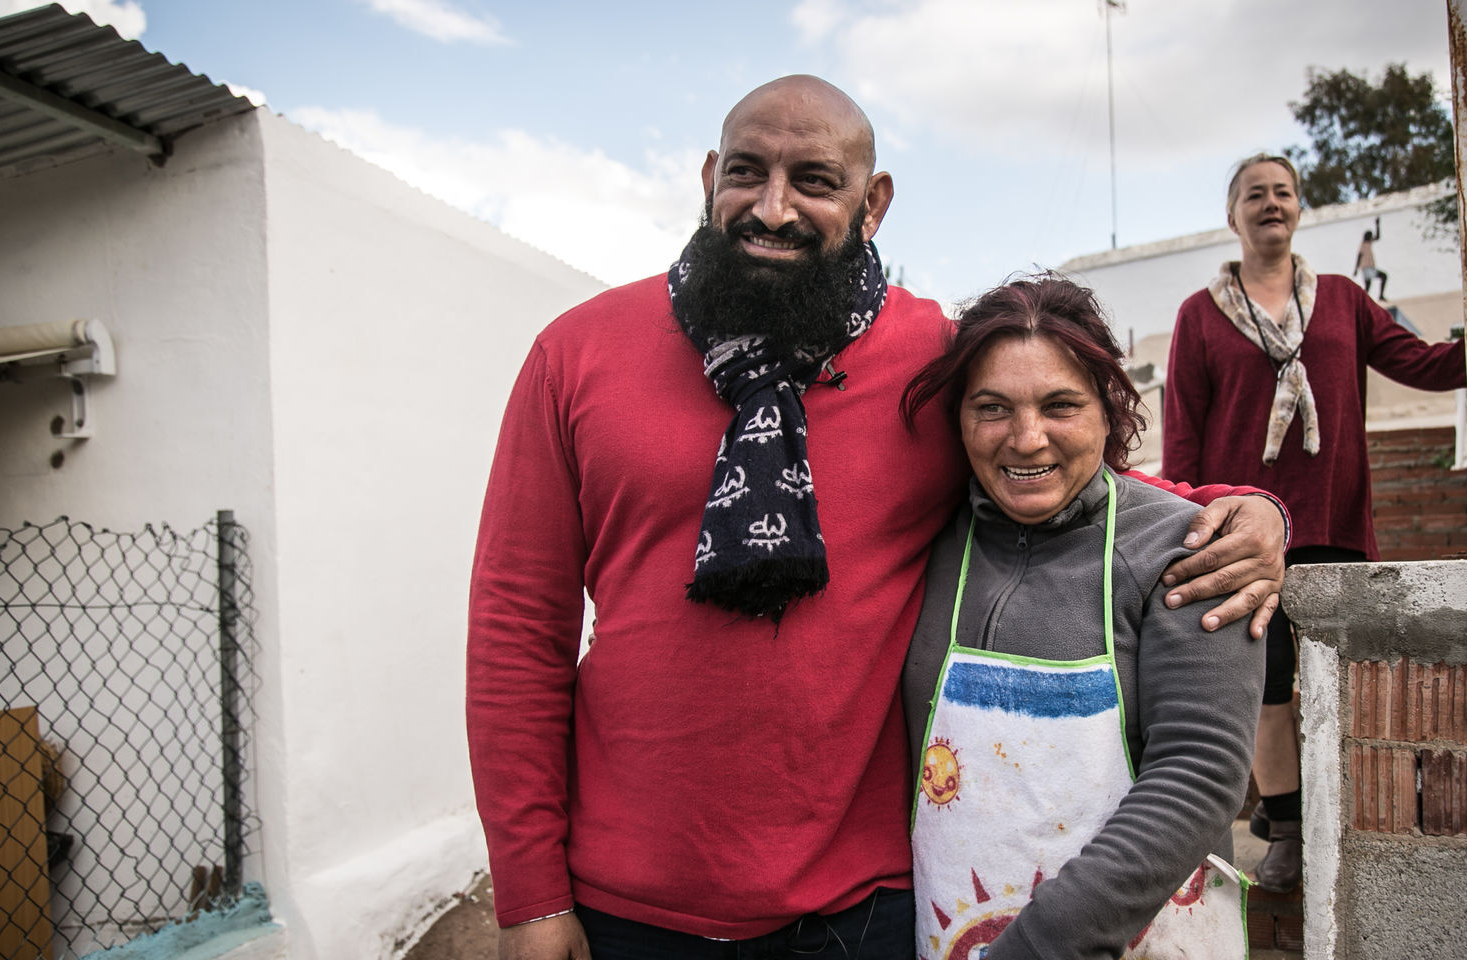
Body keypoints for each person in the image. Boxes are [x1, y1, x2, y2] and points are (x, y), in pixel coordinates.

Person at [467, 75, 1290, 960]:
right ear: (709, 178)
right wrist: (529, 896)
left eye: (815, 180)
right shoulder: (576, 354)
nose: (773, 209)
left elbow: (1061, 469)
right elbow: (518, 631)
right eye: (747, 172)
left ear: (874, 203)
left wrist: (1249, 511)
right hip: (624, 905)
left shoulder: (935, 364)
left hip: (867, 908)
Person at [899, 276, 1262, 959]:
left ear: (1108, 409)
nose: (1026, 439)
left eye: (1060, 405)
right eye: (993, 408)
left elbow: (1201, 773)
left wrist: (1036, 947)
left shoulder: (1190, 552)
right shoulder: (926, 544)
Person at [1161, 153, 1466, 893]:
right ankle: (1289, 831)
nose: (1271, 203)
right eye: (1254, 194)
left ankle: (1345, 816)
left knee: (1343, 686)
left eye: (1284, 192)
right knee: (1265, 685)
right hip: (1242, 531)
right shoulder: (1199, 317)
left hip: (1333, 517)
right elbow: (1182, 433)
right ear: (1231, 217)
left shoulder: (1345, 300)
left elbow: (1422, 364)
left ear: (1300, 209)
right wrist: (1189, 520)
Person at [1353, 216, 1387, 300]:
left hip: (1370, 268)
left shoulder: (1369, 243)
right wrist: (1356, 270)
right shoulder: (1363, 245)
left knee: (1369, 286)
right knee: (1372, 284)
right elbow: (1359, 257)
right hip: (1366, 268)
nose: (1372, 237)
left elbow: (1377, 237)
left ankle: (1379, 296)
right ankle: (1362, 300)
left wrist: (1377, 225)